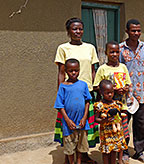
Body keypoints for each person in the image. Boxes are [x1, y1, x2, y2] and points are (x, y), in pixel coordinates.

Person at [54, 17, 99, 164]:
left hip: (87, 92)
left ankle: (84, 156)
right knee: (69, 126)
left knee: (85, 127)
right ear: (68, 31)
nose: (78, 31)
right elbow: (61, 72)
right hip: (70, 93)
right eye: (74, 29)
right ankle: (69, 157)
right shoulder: (63, 48)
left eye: (80, 28)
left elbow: (93, 71)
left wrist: (94, 88)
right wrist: (60, 92)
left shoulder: (90, 48)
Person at [119, 19, 144, 164]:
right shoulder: (121, 48)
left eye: (138, 30)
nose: (136, 33)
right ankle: (124, 151)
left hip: (141, 95)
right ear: (127, 31)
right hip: (125, 96)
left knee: (140, 125)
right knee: (123, 124)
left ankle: (139, 152)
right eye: (133, 30)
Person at [93, 41, 131, 163]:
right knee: (109, 134)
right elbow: (95, 87)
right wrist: (111, 90)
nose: (114, 54)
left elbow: (128, 84)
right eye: (112, 52)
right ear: (106, 53)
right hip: (106, 109)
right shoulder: (102, 69)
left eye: (117, 52)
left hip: (121, 106)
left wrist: (125, 88)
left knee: (120, 134)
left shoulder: (123, 67)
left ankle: (119, 160)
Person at [54, 59, 91, 164]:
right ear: (66, 71)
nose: (74, 73)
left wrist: (84, 118)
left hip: (81, 122)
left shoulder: (83, 85)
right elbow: (60, 106)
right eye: (71, 70)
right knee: (70, 147)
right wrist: (67, 120)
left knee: (80, 146)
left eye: (76, 70)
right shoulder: (63, 86)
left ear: (79, 70)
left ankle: (78, 162)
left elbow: (87, 101)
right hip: (68, 123)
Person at [94, 80, 128, 164]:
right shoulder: (100, 105)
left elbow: (120, 115)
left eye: (112, 92)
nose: (110, 95)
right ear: (101, 93)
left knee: (114, 150)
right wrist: (104, 120)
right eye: (107, 93)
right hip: (106, 134)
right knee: (106, 152)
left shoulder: (117, 104)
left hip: (116, 133)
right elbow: (96, 119)